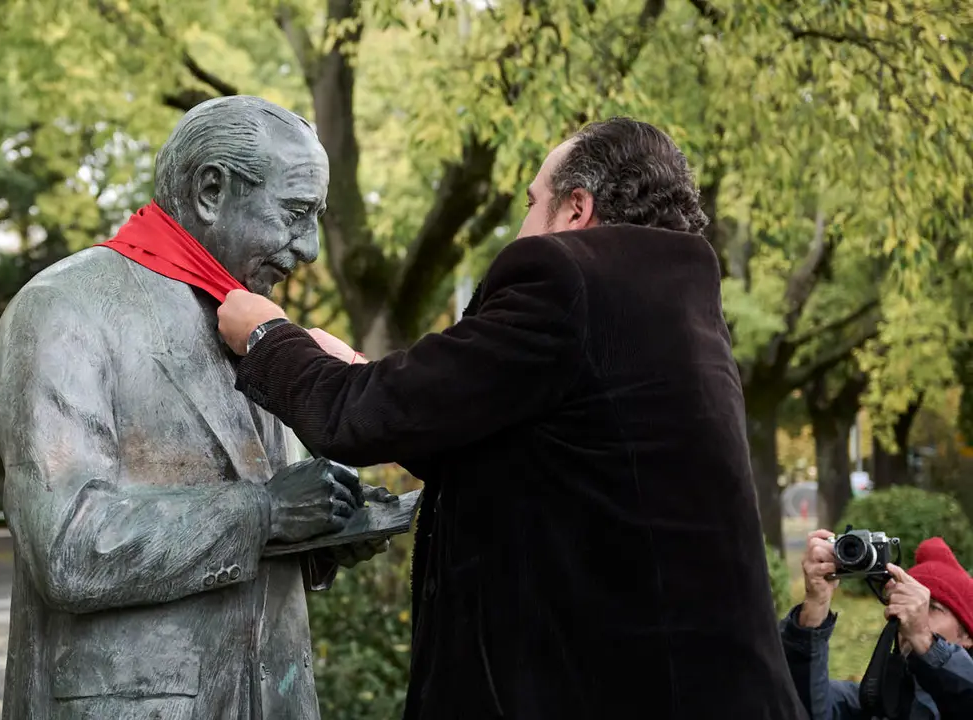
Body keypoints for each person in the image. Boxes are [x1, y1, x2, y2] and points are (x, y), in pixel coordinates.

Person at [217, 117, 806, 718]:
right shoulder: (669, 305)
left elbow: (359, 421)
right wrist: (355, 369)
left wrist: (267, 337)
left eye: (530, 204)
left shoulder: (565, 279)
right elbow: (496, 435)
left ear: (576, 208)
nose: (520, 230)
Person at [0, 95, 389, 720]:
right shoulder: (63, 308)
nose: (310, 247)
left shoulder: (254, 320)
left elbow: (278, 513)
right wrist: (266, 513)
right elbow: (65, 546)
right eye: (295, 214)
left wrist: (327, 527)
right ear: (210, 191)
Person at [782, 532, 973, 718]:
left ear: (967, 636)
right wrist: (815, 608)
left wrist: (924, 639)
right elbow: (800, 706)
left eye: (931, 607)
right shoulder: (875, 699)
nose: (912, 612)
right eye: (904, 602)